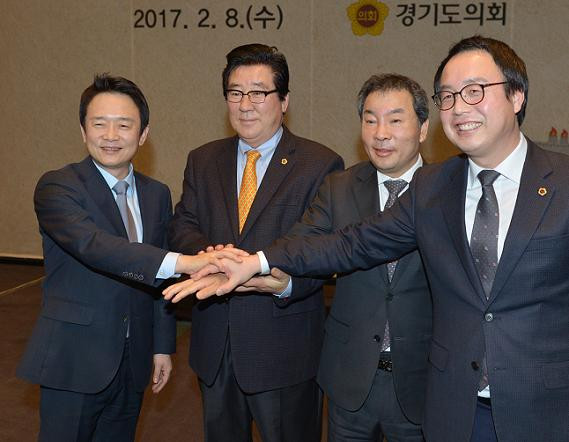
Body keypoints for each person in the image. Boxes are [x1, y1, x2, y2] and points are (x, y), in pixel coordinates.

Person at [173, 35, 569, 442]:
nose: (459, 107)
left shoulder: (562, 183)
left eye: (474, 91)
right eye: (448, 96)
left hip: (541, 406)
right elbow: (351, 243)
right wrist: (257, 262)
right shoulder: (436, 187)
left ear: (516, 95)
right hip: (453, 406)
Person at [17, 74, 240, 442]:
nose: (111, 135)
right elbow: (96, 246)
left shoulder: (156, 194)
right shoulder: (58, 186)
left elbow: (158, 283)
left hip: (133, 360)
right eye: (99, 124)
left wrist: (162, 347)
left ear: (143, 134)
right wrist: (185, 262)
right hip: (74, 359)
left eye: (124, 125)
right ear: (83, 130)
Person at [167, 43, 344, 442]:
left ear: (284, 101)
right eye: (235, 92)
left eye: (259, 93)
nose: (245, 104)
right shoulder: (202, 159)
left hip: (283, 350)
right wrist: (211, 257)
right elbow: (183, 224)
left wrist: (283, 282)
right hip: (215, 346)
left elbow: (322, 248)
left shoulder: (319, 164)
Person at [289, 73, 432, 441]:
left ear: (423, 129)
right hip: (349, 376)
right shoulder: (339, 187)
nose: (380, 133)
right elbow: (302, 246)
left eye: (395, 120)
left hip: (422, 380)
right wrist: (267, 270)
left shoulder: (448, 191)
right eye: (370, 120)